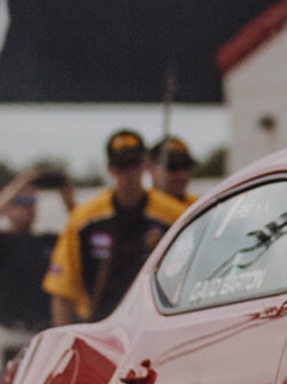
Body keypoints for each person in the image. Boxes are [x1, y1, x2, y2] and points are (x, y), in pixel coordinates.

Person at [44, 130, 186, 325]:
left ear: (144, 165)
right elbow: (62, 291)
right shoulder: (84, 219)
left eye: (134, 164)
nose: (129, 173)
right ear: (111, 169)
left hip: (154, 324)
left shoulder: (172, 215)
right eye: (122, 165)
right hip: (99, 325)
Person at [0, 167, 71, 358]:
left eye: (32, 202)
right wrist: (21, 182)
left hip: (41, 332)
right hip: (9, 331)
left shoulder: (48, 241)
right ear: (8, 208)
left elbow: (81, 228)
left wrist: (66, 193)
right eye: (21, 202)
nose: (27, 208)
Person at [150, 136, 198, 206]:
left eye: (186, 166)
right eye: (172, 166)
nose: (181, 175)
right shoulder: (140, 208)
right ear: (150, 167)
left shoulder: (199, 206)